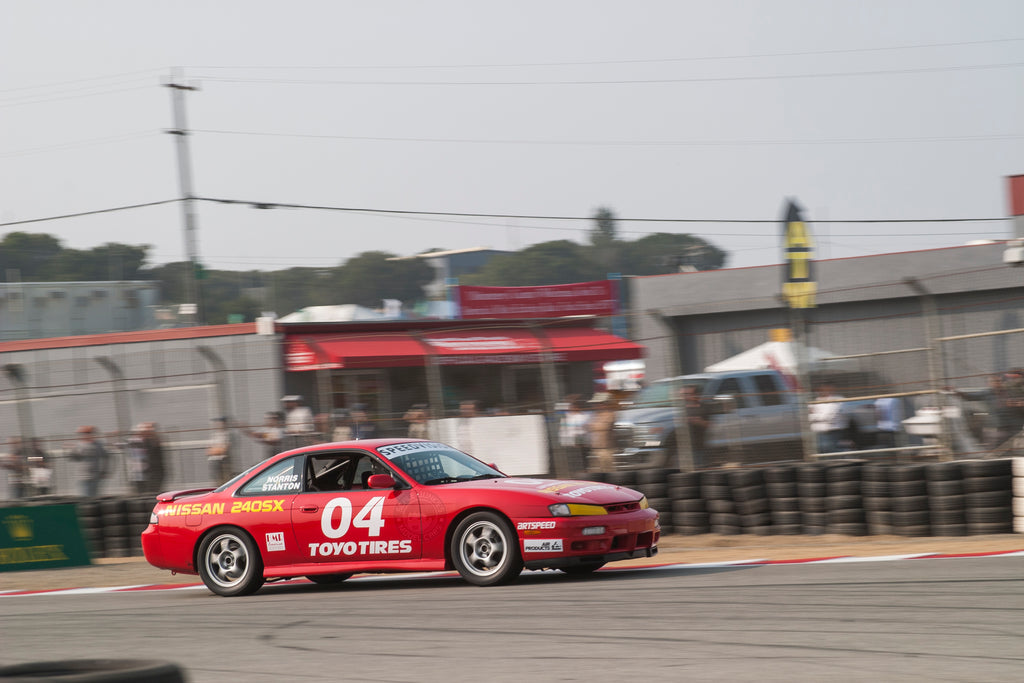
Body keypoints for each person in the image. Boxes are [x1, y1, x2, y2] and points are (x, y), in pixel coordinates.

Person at [70, 426, 110, 498]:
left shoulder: (98, 445)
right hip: (83, 477)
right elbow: (74, 458)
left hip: (95, 476)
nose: (87, 435)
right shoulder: (78, 445)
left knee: (94, 497)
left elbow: (106, 457)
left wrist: (104, 471)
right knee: (86, 498)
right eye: (85, 433)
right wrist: (73, 452)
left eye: (89, 433)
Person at [808, 384, 847, 454]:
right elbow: (807, 416)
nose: (822, 392)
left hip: (833, 430)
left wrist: (814, 415)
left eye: (826, 390)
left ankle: (847, 453)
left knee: (830, 449)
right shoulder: (816, 400)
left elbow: (829, 417)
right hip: (818, 430)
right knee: (821, 449)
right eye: (820, 390)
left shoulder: (838, 399)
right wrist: (818, 416)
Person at [559, 396, 590, 476]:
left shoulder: (583, 416)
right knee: (572, 459)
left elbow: (584, 428)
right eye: (570, 406)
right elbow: (563, 429)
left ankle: (583, 472)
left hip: (580, 440)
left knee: (582, 458)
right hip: (569, 441)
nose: (571, 408)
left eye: (573, 406)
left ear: (577, 407)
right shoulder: (566, 417)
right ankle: (574, 473)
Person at [680, 385, 710, 465]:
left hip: (699, 446)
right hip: (683, 446)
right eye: (684, 394)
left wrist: (698, 421)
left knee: (699, 466)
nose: (686, 396)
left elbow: (709, 425)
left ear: (697, 394)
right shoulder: (682, 408)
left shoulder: (703, 407)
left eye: (689, 394)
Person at [586, 394, 617, 473]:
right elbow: (587, 426)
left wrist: (593, 426)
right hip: (595, 448)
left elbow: (604, 427)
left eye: (598, 403)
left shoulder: (610, 414)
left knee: (608, 471)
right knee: (595, 472)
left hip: (606, 449)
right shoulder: (595, 415)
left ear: (605, 404)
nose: (596, 405)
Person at [139, 422, 166, 493]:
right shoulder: (146, 441)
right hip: (148, 473)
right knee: (148, 491)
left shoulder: (154, 441)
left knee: (153, 491)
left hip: (156, 472)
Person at [207, 417, 235, 484]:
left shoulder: (227, 435)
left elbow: (224, 450)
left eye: (220, 422)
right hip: (214, 460)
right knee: (217, 480)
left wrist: (215, 450)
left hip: (223, 461)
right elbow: (208, 451)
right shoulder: (214, 435)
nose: (218, 424)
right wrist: (217, 449)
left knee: (225, 480)